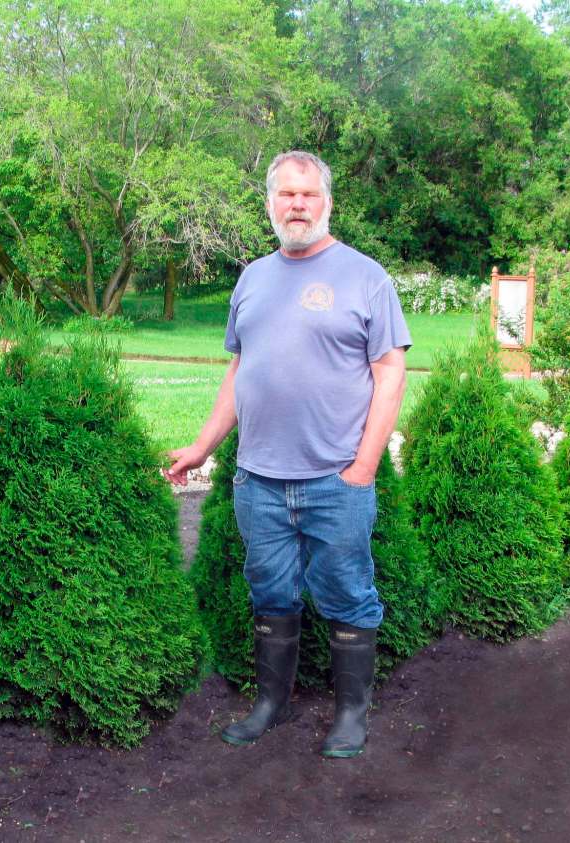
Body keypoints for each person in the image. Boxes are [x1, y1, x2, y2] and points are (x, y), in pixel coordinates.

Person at [166, 150, 410, 758]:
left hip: (336, 479)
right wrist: (202, 446)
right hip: (259, 481)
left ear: (327, 201)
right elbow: (240, 369)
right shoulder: (252, 278)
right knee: (271, 594)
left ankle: (351, 714)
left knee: (348, 593)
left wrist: (364, 468)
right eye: (286, 194)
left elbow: (390, 372)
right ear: (271, 202)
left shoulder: (365, 277)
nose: (297, 204)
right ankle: (271, 704)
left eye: (308, 194)